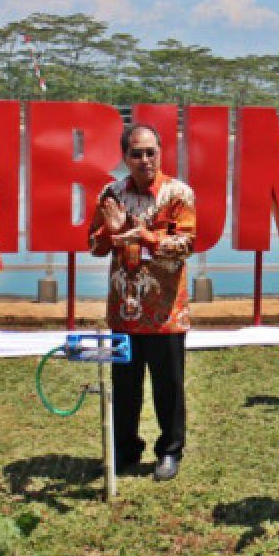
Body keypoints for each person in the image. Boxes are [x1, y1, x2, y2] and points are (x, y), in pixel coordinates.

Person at [87, 123, 197, 482]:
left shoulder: (178, 193)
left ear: (161, 153)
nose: (145, 160)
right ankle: (126, 448)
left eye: (151, 152)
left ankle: (169, 451)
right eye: (136, 153)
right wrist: (111, 230)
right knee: (125, 386)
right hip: (125, 309)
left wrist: (144, 237)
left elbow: (186, 245)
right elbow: (94, 246)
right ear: (125, 157)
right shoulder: (111, 193)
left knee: (169, 386)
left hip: (166, 310)